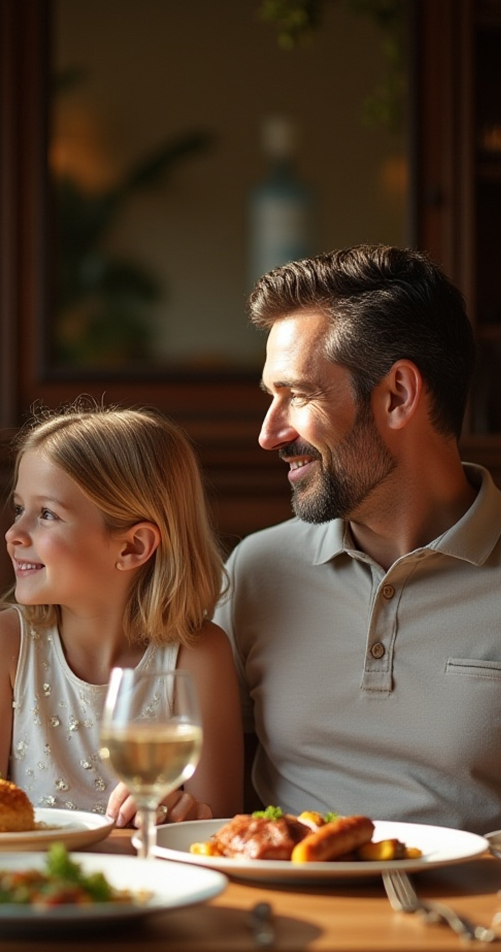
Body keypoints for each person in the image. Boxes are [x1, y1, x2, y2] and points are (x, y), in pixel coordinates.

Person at [214, 244, 501, 834]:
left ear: (397, 394)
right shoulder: (258, 568)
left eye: (298, 394)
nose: (269, 433)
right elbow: (215, 787)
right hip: (290, 914)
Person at [0, 404, 243, 825]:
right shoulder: (1, 646)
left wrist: (183, 813)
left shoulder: (198, 654)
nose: (14, 534)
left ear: (133, 547)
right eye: (19, 508)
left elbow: (220, 828)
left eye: (47, 514)